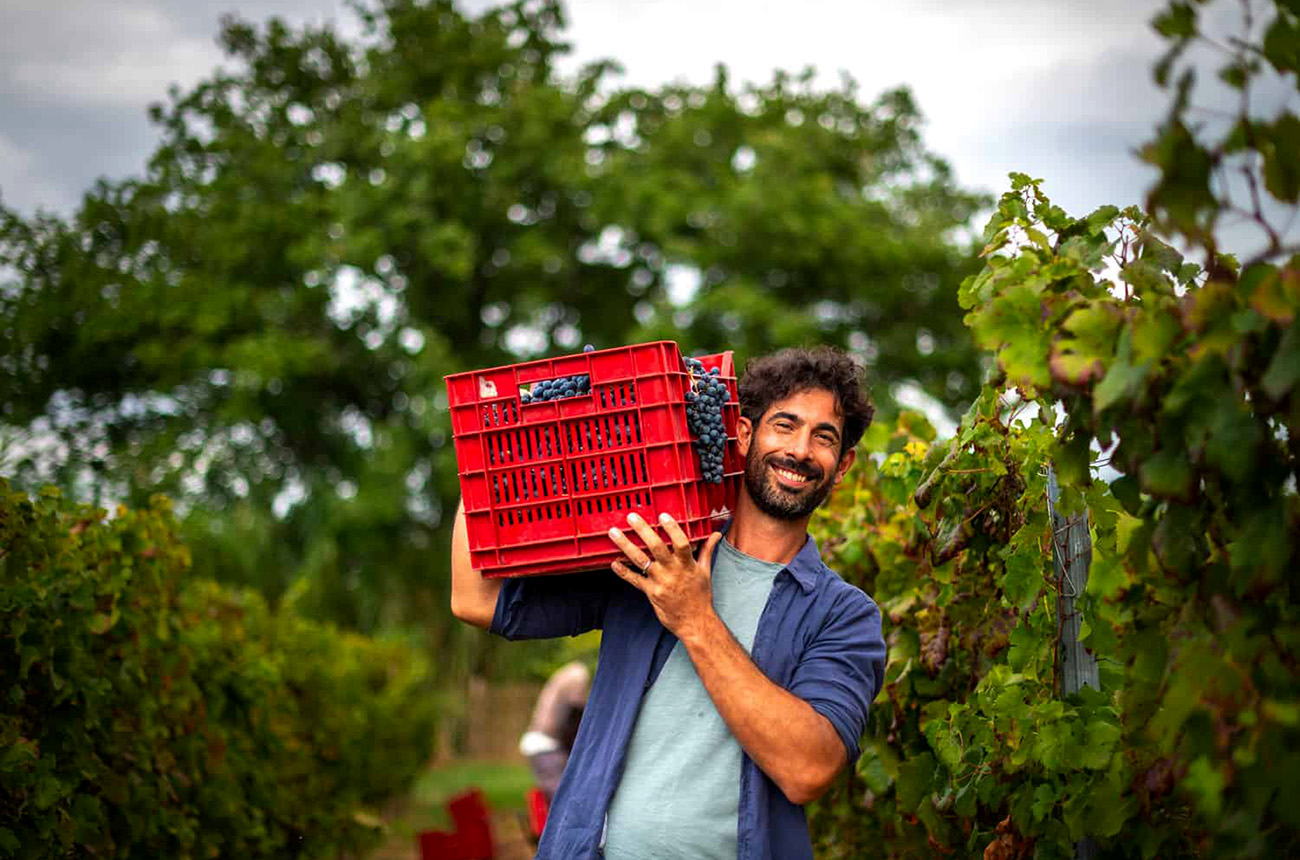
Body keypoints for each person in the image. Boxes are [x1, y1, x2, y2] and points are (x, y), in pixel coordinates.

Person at [451, 346, 887, 860]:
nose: (800, 450)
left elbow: (807, 770)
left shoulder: (844, 616)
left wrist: (695, 618)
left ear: (842, 466)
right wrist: (502, 448)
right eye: (785, 426)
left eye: (824, 437)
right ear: (744, 434)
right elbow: (476, 599)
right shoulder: (652, 553)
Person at [520, 660, 590, 800]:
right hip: (547, 744)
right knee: (562, 797)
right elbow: (574, 715)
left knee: (561, 795)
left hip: (541, 741)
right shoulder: (579, 675)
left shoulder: (569, 672)